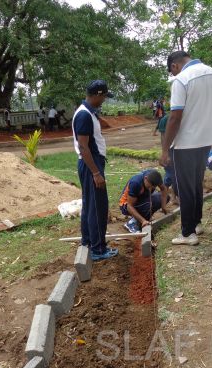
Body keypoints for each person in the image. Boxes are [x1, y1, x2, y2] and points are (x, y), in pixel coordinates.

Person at [160, 51, 212, 246]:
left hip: (184, 144)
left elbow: (175, 117)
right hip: (205, 141)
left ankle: (187, 233)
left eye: (172, 71)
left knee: (185, 189)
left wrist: (165, 149)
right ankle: (196, 223)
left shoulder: (181, 80)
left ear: (175, 66)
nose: (173, 75)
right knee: (195, 184)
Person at [73, 80, 118, 261]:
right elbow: (83, 147)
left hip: (90, 163)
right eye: (104, 96)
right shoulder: (84, 115)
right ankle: (98, 249)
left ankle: (88, 242)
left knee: (90, 205)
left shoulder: (88, 113)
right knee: (98, 207)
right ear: (97, 95)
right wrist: (96, 173)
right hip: (91, 164)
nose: (104, 100)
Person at [119, 169, 169, 233]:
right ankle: (132, 223)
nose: (151, 188)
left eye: (153, 187)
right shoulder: (136, 183)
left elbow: (163, 189)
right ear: (145, 178)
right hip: (125, 205)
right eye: (149, 186)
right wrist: (143, 221)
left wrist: (163, 206)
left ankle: (144, 218)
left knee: (165, 198)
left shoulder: (155, 177)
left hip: (142, 200)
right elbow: (129, 206)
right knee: (148, 204)